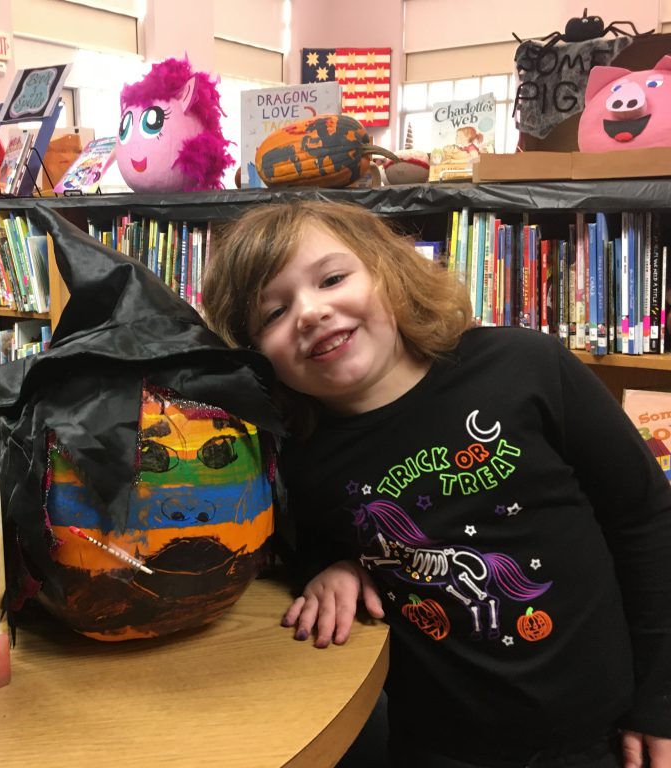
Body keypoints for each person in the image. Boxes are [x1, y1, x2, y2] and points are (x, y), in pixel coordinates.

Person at [201, 199, 671, 768]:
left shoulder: (526, 366)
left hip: (603, 736)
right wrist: (333, 568)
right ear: (254, 356)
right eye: (272, 313)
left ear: (387, 270)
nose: (310, 311)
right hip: (436, 748)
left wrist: (660, 700)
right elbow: (309, 544)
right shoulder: (296, 459)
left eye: (332, 278)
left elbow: (646, 520)